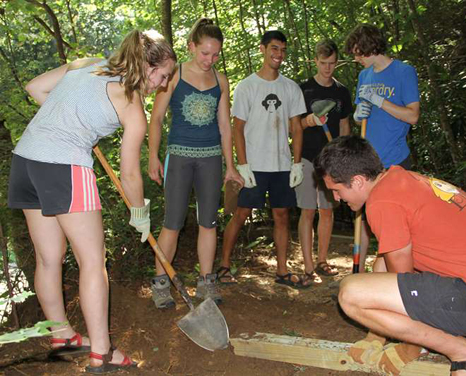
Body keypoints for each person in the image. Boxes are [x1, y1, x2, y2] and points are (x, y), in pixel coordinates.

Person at [7, 30, 176, 373]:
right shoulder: (131, 106)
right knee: (92, 261)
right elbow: (130, 175)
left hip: (25, 161)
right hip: (64, 168)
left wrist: (71, 118)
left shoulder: (89, 64)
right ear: (146, 66)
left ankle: (63, 336)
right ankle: (102, 353)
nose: (162, 84)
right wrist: (139, 213)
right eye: (162, 75)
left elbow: (35, 88)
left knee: (49, 257)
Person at [314, 135, 466, 376]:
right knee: (376, 272)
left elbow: (403, 285)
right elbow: (385, 266)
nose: (336, 198)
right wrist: (376, 337)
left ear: (357, 181)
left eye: (335, 190)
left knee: (350, 294)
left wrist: (409, 347)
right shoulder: (400, 181)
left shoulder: (383, 202)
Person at [147, 18, 243, 308]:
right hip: (179, 155)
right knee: (173, 222)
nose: (209, 60)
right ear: (191, 46)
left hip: (211, 158)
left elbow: (225, 126)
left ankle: (206, 281)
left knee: (209, 222)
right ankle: (161, 282)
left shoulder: (221, 80)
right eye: (204, 53)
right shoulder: (173, 75)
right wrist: (153, 155)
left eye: (215, 54)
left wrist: (231, 165)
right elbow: (157, 117)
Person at [216, 30, 308, 288]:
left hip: (280, 164)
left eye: (282, 50)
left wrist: (297, 163)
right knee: (242, 212)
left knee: (281, 214)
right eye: (274, 49)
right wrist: (242, 165)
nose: (278, 55)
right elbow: (237, 128)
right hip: (254, 165)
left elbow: (297, 127)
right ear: (263, 49)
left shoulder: (290, 87)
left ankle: (281, 270)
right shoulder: (248, 86)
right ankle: (223, 266)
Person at [344, 23, 420, 272]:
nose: (355, 59)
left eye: (358, 53)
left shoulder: (403, 72)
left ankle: (398, 275)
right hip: (369, 162)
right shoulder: (364, 76)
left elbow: (412, 116)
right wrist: (358, 114)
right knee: (365, 220)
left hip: (395, 161)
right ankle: (359, 273)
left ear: (370, 48)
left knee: (395, 223)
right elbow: (360, 116)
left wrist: (380, 101)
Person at [295, 39, 352, 280]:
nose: (327, 68)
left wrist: (344, 155)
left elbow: (344, 125)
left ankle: (322, 260)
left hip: (332, 161)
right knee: (307, 211)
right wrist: (309, 121)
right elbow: (294, 126)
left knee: (327, 211)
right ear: (315, 61)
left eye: (331, 63)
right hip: (308, 156)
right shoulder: (303, 89)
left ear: (336, 62)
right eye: (323, 63)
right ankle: (308, 265)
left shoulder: (341, 92)